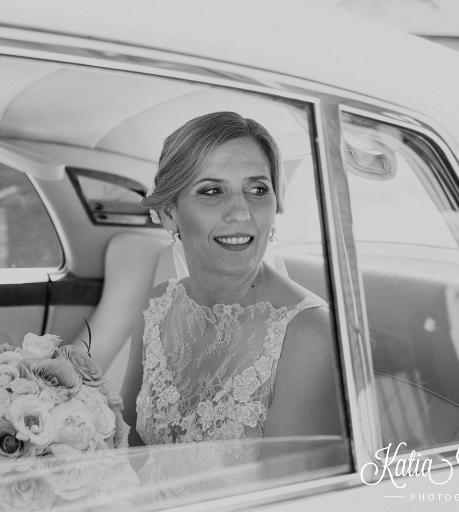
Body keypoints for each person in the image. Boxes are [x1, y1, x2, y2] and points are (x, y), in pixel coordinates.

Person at [120, 111, 342, 468]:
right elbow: (127, 450)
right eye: (212, 191)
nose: (241, 213)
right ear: (168, 213)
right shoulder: (157, 305)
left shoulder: (309, 333)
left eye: (257, 190)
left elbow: (287, 499)